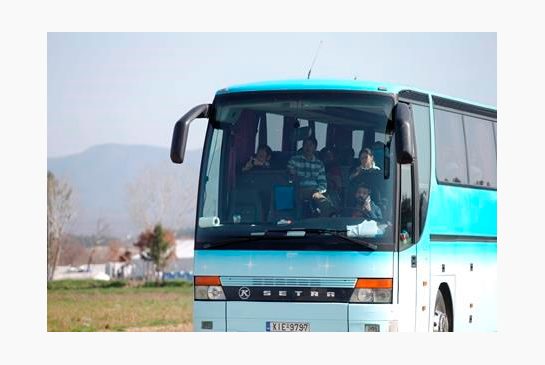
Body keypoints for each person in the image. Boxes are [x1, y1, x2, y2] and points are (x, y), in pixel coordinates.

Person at [287, 136, 332, 217]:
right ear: (303, 147)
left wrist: (317, 191)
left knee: (325, 203)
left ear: (315, 148)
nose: (308, 147)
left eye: (310, 145)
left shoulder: (319, 164)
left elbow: (323, 183)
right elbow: (290, 176)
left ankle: (322, 225)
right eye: (306, 145)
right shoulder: (294, 160)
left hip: (314, 191)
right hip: (298, 189)